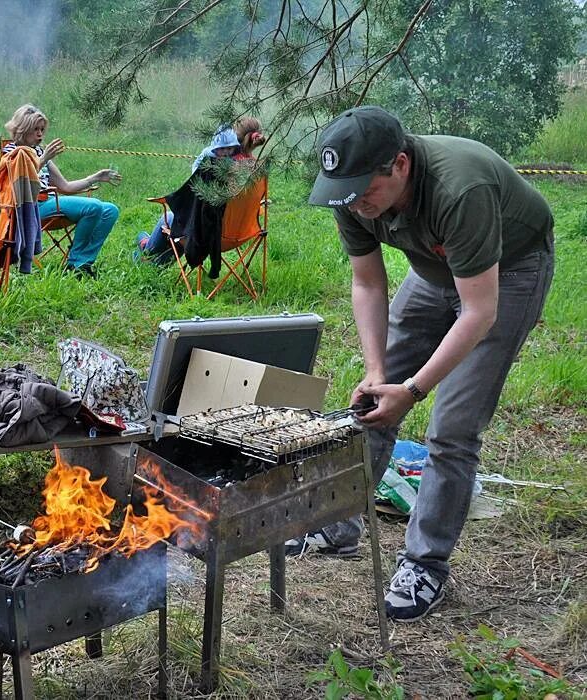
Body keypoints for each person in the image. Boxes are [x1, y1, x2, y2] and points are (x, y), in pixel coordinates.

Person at [294, 106, 554, 622]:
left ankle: (425, 565)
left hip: (508, 272)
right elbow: (367, 282)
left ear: (401, 166)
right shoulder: (350, 193)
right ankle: (339, 521)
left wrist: (412, 389)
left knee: (452, 428)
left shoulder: (461, 189)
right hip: (435, 274)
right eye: (345, 192)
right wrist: (377, 372)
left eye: (366, 190)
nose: (356, 204)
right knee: (370, 402)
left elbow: (479, 311)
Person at [3, 104, 122, 278]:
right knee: (94, 206)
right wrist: (42, 159)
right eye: (35, 129)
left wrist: (96, 177)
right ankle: (76, 264)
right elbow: (18, 184)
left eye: (42, 129)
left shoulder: (39, 152)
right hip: (30, 207)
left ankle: (84, 261)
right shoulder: (12, 152)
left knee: (110, 210)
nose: (40, 134)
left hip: (50, 202)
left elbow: (65, 187)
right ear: (22, 129)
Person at [136, 117, 266, 264]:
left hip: (208, 233)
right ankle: (153, 263)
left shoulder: (214, 167)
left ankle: (145, 246)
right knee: (179, 228)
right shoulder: (256, 169)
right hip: (241, 234)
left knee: (171, 219)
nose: (224, 153)